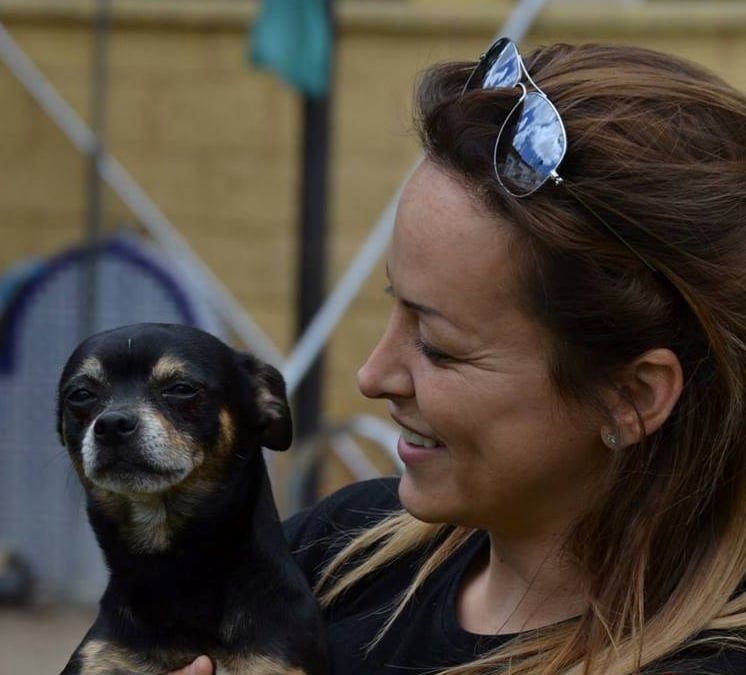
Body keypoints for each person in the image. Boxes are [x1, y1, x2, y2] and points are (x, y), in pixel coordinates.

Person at [174, 38, 746, 674]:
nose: (374, 376)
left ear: (632, 396)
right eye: (396, 305)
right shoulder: (339, 556)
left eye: (439, 347)